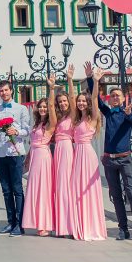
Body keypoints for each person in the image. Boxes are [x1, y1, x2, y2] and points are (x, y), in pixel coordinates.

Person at [87, 64, 132, 243]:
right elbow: (96, 99)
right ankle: (123, 229)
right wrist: (92, 80)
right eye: (112, 96)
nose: (114, 98)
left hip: (125, 159)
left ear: (123, 98)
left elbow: (130, 118)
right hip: (109, 161)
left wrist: (128, 113)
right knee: (116, 196)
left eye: (117, 96)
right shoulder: (109, 112)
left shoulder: (128, 112)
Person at [0, 80, 30, 237]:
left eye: (6, 90)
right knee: (6, 190)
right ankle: (10, 222)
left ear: (11, 91)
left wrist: (17, 132)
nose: (4, 93)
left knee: (17, 189)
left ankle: (20, 224)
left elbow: (27, 130)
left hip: (16, 153)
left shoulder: (21, 109)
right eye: (1, 91)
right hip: (1, 154)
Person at [72, 84, 106, 241]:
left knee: (88, 189)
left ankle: (91, 226)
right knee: (77, 189)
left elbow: (94, 98)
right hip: (77, 154)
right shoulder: (77, 119)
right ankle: (80, 224)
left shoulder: (93, 118)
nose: (81, 103)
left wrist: (95, 81)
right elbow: (71, 98)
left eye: (83, 101)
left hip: (87, 154)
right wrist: (70, 80)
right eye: (79, 101)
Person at [22, 90, 57, 237]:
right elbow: (33, 143)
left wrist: (51, 89)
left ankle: (45, 224)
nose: (42, 109)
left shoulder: (50, 123)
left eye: (45, 107)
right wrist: (28, 157)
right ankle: (37, 222)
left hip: (43, 156)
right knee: (35, 189)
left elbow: (52, 107)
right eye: (40, 106)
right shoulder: (37, 123)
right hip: (34, 156)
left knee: (44, 190)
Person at [52, 66, 76, 237]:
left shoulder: (73, 115)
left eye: (64, 101)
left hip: (67, 149)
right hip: (57, 150)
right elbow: (50, 107)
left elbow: (74, 99)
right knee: (59, 187)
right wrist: (51, 89)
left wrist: (70, 80)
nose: (63, 103)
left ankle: (70, 225)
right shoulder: (57, 117)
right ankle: (61, 225)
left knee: (67, 186)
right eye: (60, 102)